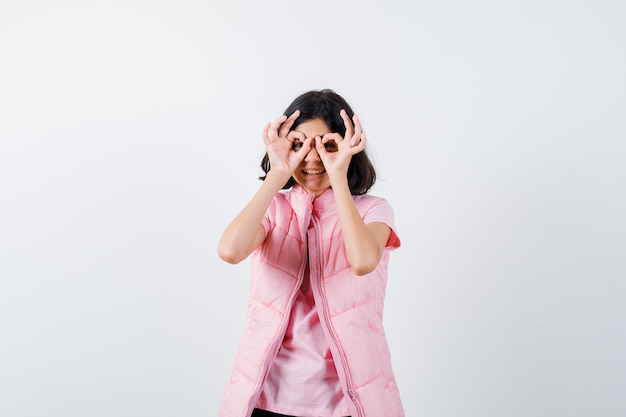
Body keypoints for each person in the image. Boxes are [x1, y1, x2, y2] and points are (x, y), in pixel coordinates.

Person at [217, 89, 404, 417]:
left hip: (348, 404)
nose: (313, 157)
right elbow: (230, 251)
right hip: (266, 399)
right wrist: (277, 174)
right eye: (299, 144)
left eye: (327, 145)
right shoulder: (274, 208)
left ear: (347, 147)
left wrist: (338, 177)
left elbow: (362, 262)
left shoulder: (374, 211)